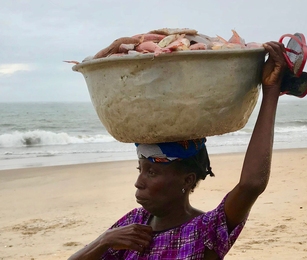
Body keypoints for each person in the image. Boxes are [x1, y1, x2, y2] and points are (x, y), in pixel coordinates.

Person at [68, 41, 287, 260]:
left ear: (187, 180)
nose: (138, 182)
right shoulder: (134, 224)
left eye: (152, 172)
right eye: (140, 169)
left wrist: (270, 92)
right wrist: (104, 240)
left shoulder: (204, 231)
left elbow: (251, 185)